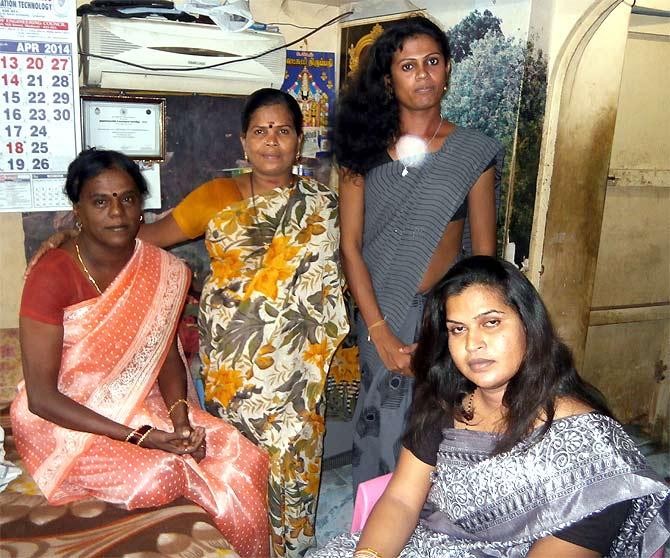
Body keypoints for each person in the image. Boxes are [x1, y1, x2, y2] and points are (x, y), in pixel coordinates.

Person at [31, 88, 348, 557]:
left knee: (296, 465)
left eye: (283, 131)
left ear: (299, 140)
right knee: (238, 465)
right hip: (236, 368)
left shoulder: (324, 203)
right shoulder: (216, 196)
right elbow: (141, 240)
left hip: (300, 368)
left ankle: (296, 549)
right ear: (243, 142)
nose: (272, 141)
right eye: (260, 131)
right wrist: (73, 234)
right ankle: (246, 543)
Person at [313, 256, 670, 558]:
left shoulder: (592, 453)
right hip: (425, 546)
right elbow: (403, 500)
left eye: (491, 322)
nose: (473, 344)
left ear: (529, 326)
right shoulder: (446, 402)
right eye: (457, 329)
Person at [11, 149, 270, 558]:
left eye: (128, 199)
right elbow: (43, 399)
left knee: (245, 456)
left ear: (141, 206)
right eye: (100, 201)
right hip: (65, 416)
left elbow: (164, 352)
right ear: (77, 209)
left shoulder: (157, 267)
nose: (117, 212)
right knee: (163, 475)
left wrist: (181, 420)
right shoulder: (52, 275)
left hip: (141, 400)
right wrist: (143, 439)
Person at [334, 14, 504, 490]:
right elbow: (350, 246)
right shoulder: (362, 151)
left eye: (432, 62)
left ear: (448, 69)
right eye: (407, 66)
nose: (422, 74)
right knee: (381, 435)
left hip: (444, 318)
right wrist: (380, 332)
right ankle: (374, 533)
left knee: (440, 435)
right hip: (380, 313)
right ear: (389, 78)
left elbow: (483, 256)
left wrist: (470, 325)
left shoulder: (474, 151)